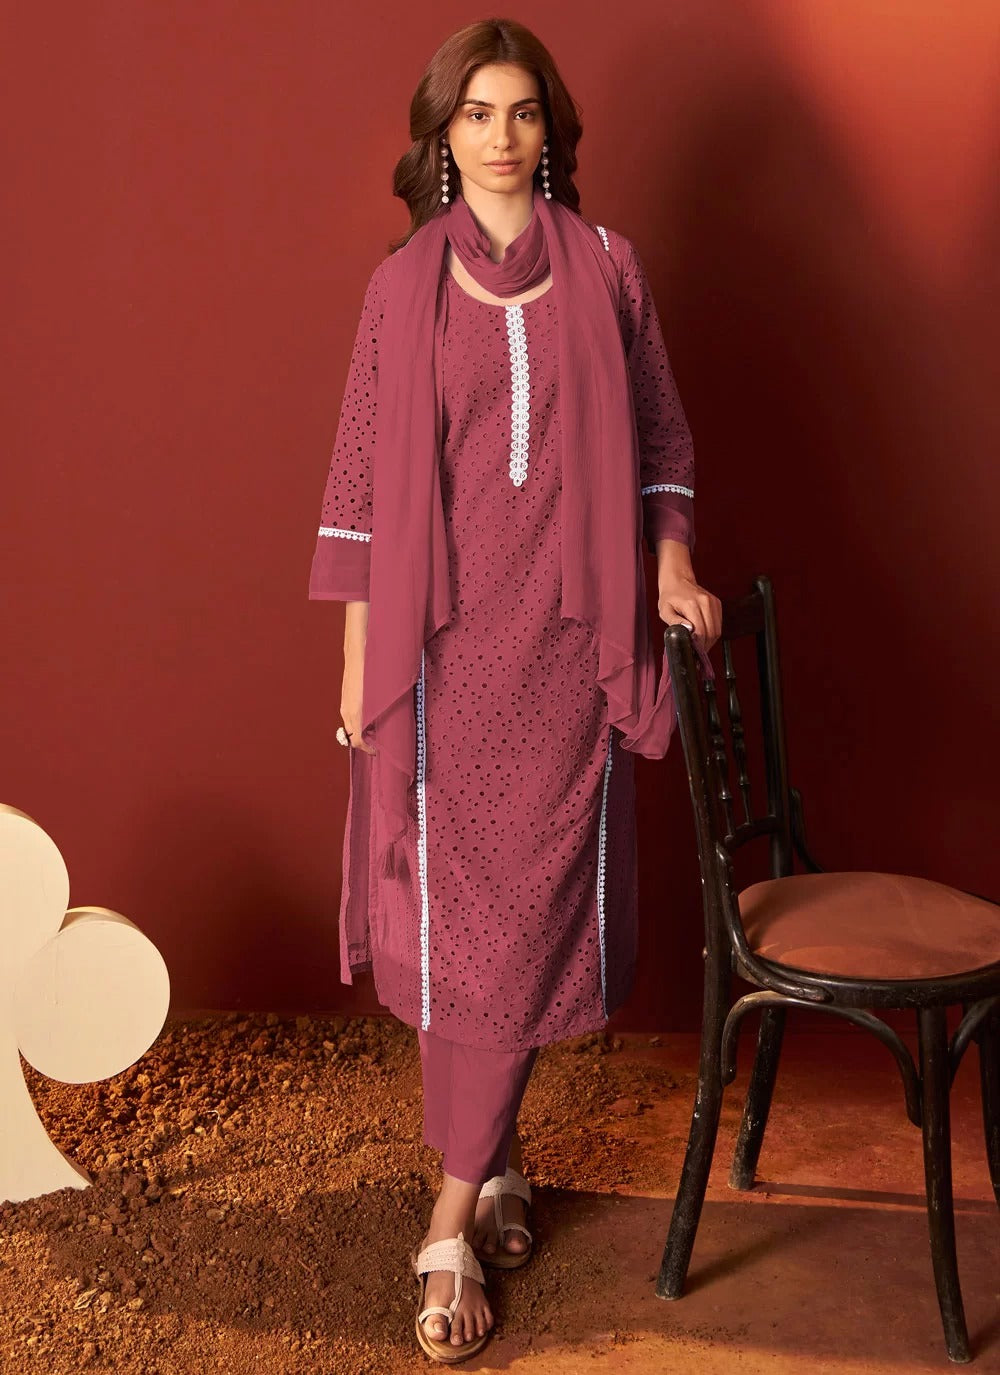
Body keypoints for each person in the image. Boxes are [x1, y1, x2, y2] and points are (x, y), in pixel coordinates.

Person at [308, 17, 721, 1363]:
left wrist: (672, 569)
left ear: (552, 131)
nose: (500, 135)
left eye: (523, 111)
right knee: (459, 928)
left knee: (531, 923)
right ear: (443, 136)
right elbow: (361, 489)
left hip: (570, 645)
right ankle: (485, 1176)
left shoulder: (609, 269)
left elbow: (661, 438)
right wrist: (359, 662)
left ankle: (448, 1212)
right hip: (444, 653)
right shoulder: (402, 289)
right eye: (476, 113)